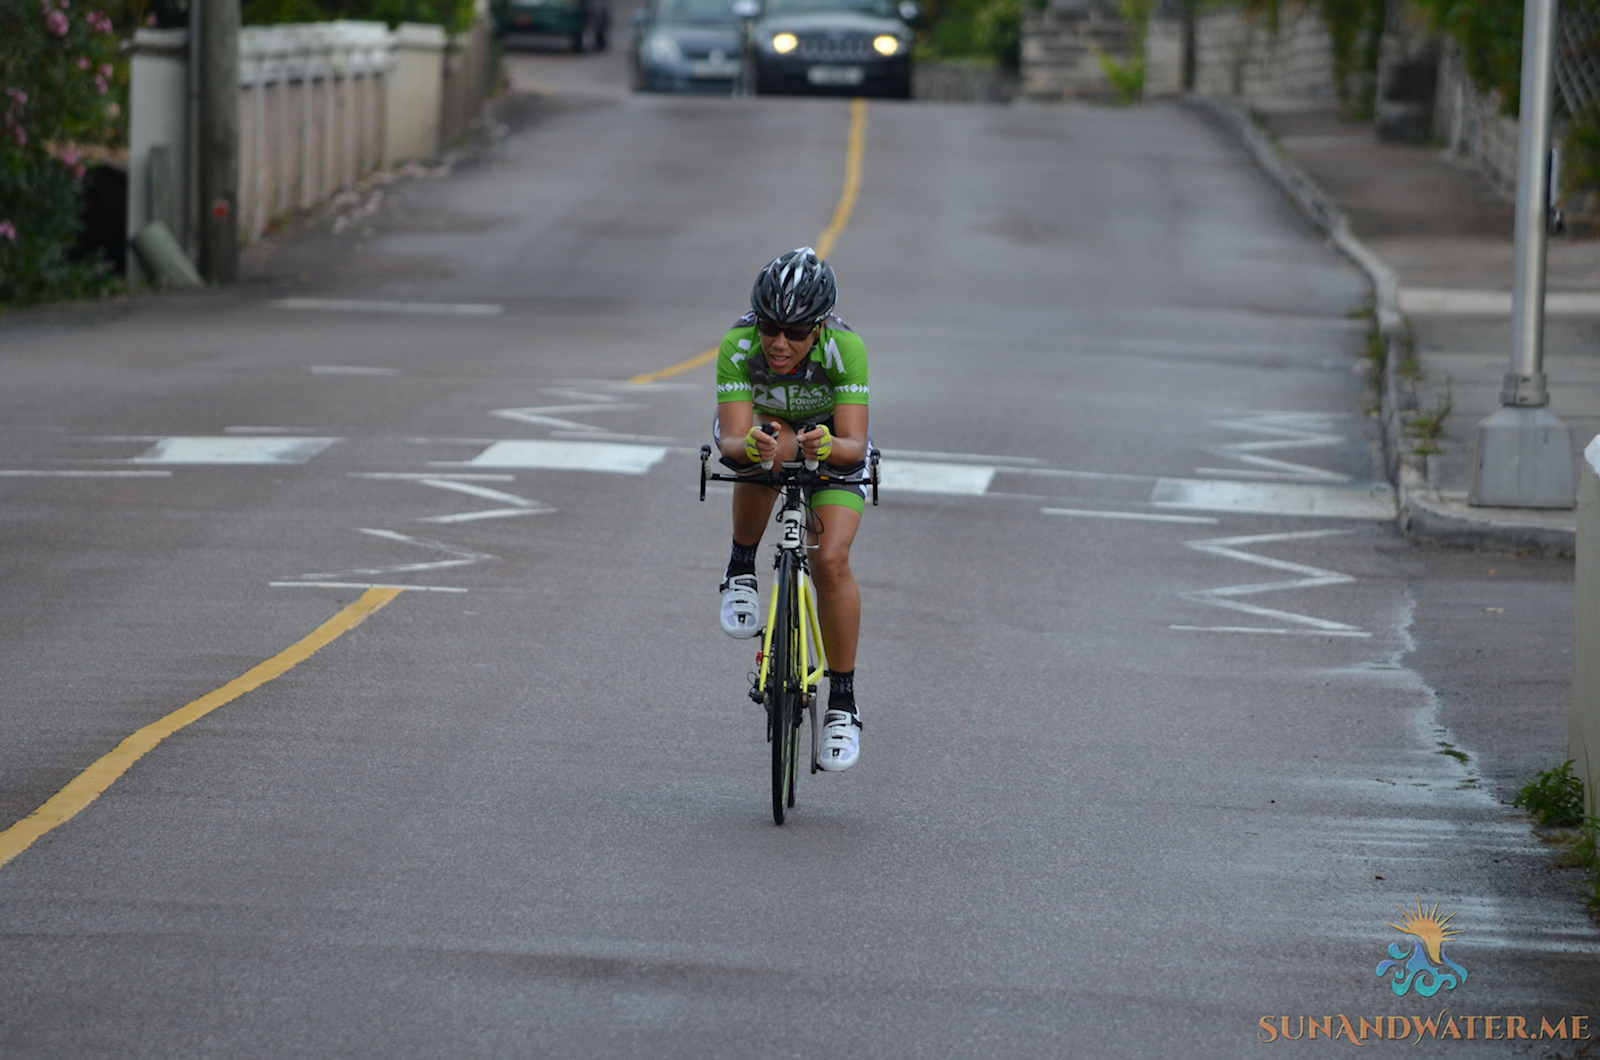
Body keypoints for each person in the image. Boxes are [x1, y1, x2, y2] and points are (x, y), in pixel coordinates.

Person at [713, 247, 870, 771]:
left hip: (831, 442)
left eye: (796, 332)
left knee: (830, 561)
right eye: (770, 328)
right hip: (767, 434)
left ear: (819, 328)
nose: (780, 343)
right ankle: (741, 568)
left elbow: (854, 444)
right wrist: (753, 445)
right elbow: (731, 439)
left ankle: (843, 704)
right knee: (767, 446)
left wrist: (826, 445)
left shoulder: (846, 348)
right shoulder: (738, 343)